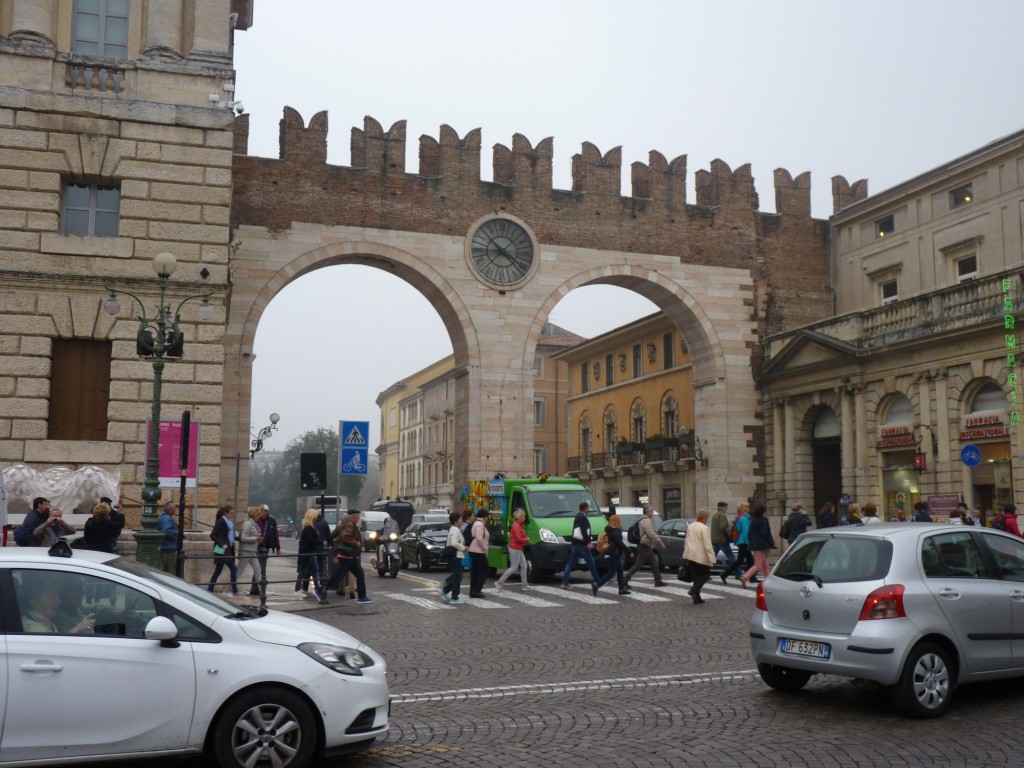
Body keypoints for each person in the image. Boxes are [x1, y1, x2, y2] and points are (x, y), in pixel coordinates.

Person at [19, 575, 93, 635]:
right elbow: (56, 648)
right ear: (33, 601)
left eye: (58, 596)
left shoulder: (45, 623)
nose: (59, 601)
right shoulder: (35, 629)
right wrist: (78, 628)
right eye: (52, 596)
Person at [330, 510, 371, 603]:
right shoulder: (349, 524)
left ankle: (362, 596)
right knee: (339, 576)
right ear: (353, 516)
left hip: (350, 555)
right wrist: (356, 543)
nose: (359, 518)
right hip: (347, 555)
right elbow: (345, 537)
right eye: (358, 516)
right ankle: (321, 590)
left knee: (358, 574)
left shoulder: (349, 524)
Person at [624, 504, 667, 588]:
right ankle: (625, 579)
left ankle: (658, 580)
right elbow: (651, 533)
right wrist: (660, 542)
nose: (652, 512)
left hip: (646, 545)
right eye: (651, 510)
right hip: (644, 545)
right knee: (638, 565)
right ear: (647, 511)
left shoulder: (642, 519)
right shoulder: (646, 520)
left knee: (653, 563)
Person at [561, 501, 602, 589]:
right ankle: (598, 581)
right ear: (585, 508)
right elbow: (584, 531)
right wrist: (588, 542)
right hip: (582, 544)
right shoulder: (582, 517)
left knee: (571, 563)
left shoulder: (577, 517)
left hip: (575, 544)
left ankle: (565, 582)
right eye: (588, 508)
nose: (589, 510)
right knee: (591, 562)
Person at [682, 508, 715, 604]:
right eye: (707, 518)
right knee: (705, 575)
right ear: (705, 518)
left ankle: (697, 597)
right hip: (700, 556)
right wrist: (712, 558)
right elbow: (708, 545)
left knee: (696, 576)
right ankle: (693, 590)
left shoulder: (691, 526)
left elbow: (686, 540)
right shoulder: (705, 528)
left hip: (690, 554)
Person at [207, 504, 241, 597]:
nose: (232, 515)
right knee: (233, 569)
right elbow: (212, 535)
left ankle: (210, 590)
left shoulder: (228, 522)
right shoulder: (221, 521)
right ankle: (235, 591)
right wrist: (222, 544)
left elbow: (229, 536)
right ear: (225, 513)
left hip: (226, 548)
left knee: (218, 570)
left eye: (233, 513)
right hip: (221, 548)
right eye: (231, 513)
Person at [593, 512, 629, 596]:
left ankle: (621, 589)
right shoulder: (615, 531)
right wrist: (629, 551)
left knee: (620, 571)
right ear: (617, 521)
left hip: (612, 554)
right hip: (613, 554)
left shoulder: (610, 530)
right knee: (611, 573)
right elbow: (620, 543)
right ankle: (597, 585)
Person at [250, 504, 281, 596]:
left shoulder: (271, 521)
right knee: (260, 568)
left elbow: (275, 534)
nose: (264, 512)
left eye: (265, 511)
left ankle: (255, 589)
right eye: (262, 510)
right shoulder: (256, 519)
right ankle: (260, 589)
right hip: (256, 546)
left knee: (260, 568)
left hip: (265, 547)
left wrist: (278, 547)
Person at [741, 505, 775, 588]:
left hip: (755, 544)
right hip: (760, 545)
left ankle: (768, 581)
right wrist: (772, 543)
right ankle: (745, 577)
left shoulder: (754, 521)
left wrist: (752, 542)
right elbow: (765, 534)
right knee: (758, 565)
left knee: (765, 564)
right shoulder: (764, 521)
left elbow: (749, 534)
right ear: (763, 513)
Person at [439, 510, 468, 604]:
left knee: (457, 576)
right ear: (455, 521)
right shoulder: (455, 530)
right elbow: (454, 543)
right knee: (458, 577)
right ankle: (454, 597)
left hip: (456, 556)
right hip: (455, 556)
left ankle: (445, 591)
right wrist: (463, 548)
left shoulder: (454, 529)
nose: (461, 521)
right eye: (460, 519)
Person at [496, 508, 529, 589]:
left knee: (524, 565)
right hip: (515, 548)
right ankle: (499, 582)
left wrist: (524, 539)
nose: (524, 518)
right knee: (514, 567)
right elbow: (518, 538)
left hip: (518, 548)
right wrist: (526, 540)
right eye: (524, 517)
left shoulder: (517, 525)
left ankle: (524, 584)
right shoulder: (517, 526)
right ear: (520, 517)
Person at [723, 501, 754, 583]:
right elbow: (746, 532)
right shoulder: (744, 519)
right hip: (744, 542)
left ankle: (725, 574)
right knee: (750, 560)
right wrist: (749, 543)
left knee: (741, 560)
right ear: (744, 509)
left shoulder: (740, 518)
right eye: (747, 507)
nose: (749, 509)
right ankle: (751, 577)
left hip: (741, 542)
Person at [236, 507, 264, 595]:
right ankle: (228, 589)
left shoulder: (253, 524)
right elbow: (243, 538)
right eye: (258, 515)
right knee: (239, 571)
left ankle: (262, 590)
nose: (259, 517)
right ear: (255, 515)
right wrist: (256, 538)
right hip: (246, 550)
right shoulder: (248, 524)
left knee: (258, 569)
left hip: (251, 550)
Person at [710, 501, 737, 585]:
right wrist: (728, 531)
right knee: (731, 556)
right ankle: (738, 573)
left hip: (715, 540)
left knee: (712, 557)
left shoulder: (715, 515)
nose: (727, 509)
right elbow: (722, 527)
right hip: (722, 540)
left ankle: (704, 572)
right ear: (722, 508)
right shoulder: (722, 515)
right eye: (726, 507)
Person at [468, 507, 491, 598]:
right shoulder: (480, 525)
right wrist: (485, 548)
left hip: (473, 550)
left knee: (475, 571)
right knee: (485, 569)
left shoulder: (476, 523)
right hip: (478, 551)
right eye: (487, 517)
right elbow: (479, 538)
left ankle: (473, 591)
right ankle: (477, 590)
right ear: (484, 517)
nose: (487, 518)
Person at [156, 501, 179, 573]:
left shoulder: (165, 517)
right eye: (174, 508)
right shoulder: (167, 518)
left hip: (166, 548)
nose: (175, 510)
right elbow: (166, 531)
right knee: (170, 571)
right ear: (170, 509)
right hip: (167, 549)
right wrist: (177, 533)